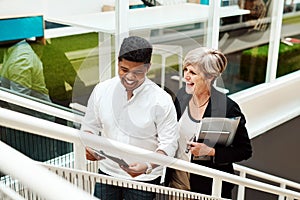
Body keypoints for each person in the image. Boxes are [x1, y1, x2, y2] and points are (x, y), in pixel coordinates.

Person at [80, 36, 179, 200]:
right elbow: (89, 127)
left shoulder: (162, 100)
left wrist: (147, 166)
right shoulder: (102, 90)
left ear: (148, 68)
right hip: (107, 173)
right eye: (124, 70)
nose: (129, 77)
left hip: (143, 180)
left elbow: (169, 144)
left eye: (137, 72)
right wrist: (89, 146)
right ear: (118, 62)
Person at [166, 47, 252, 199]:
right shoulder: (182, 96)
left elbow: (244, 150)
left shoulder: (228, 108)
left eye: (192, 73)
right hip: (178, 178)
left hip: (207, 186)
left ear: (210, 77)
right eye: (185, 69)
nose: (186, 76)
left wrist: (211, 152)